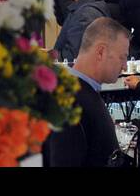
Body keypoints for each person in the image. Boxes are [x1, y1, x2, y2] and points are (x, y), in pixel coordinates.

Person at [43, 18, 131, 167]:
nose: (125, 66)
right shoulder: (71, 100)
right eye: (122, 57)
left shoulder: (78, 92)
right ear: (101, 52)